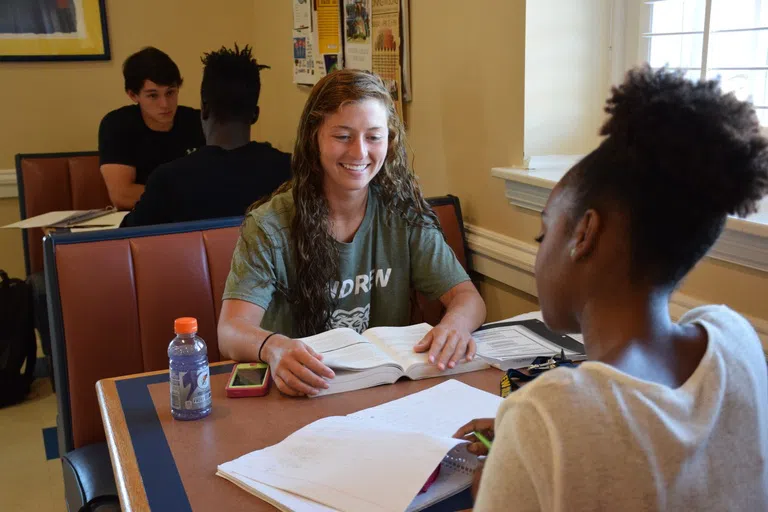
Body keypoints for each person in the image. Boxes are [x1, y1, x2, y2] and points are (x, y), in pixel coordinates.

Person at [454, 65, 768, 511]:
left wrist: (499, 481)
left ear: (584, 235)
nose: (538, 253)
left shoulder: (546, 417)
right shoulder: (736, 340)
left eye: (544, 234)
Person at [217, 69, 487, 397]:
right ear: (313, 138)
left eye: (373, 136)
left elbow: (468, 298)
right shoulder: (269, 225)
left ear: (390, 140)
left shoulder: (404, 216)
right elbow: (230, 330)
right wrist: (274, 347)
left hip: (385, 393)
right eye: (343, 136)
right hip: (302, 393)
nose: (359, 152)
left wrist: (454, 326)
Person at [121, 44, 290, 227]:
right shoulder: (291, 171)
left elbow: (125, 240)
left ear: (204, 110)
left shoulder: (168, 181)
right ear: (255, 114)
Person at [98, 47, 205, 210]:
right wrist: (190, 195)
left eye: (170, 93)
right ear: (133, 95)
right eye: (153, 95)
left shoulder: (198, 121)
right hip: (142, 223)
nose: (165, 104)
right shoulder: (117, 125)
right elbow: (122, 195)